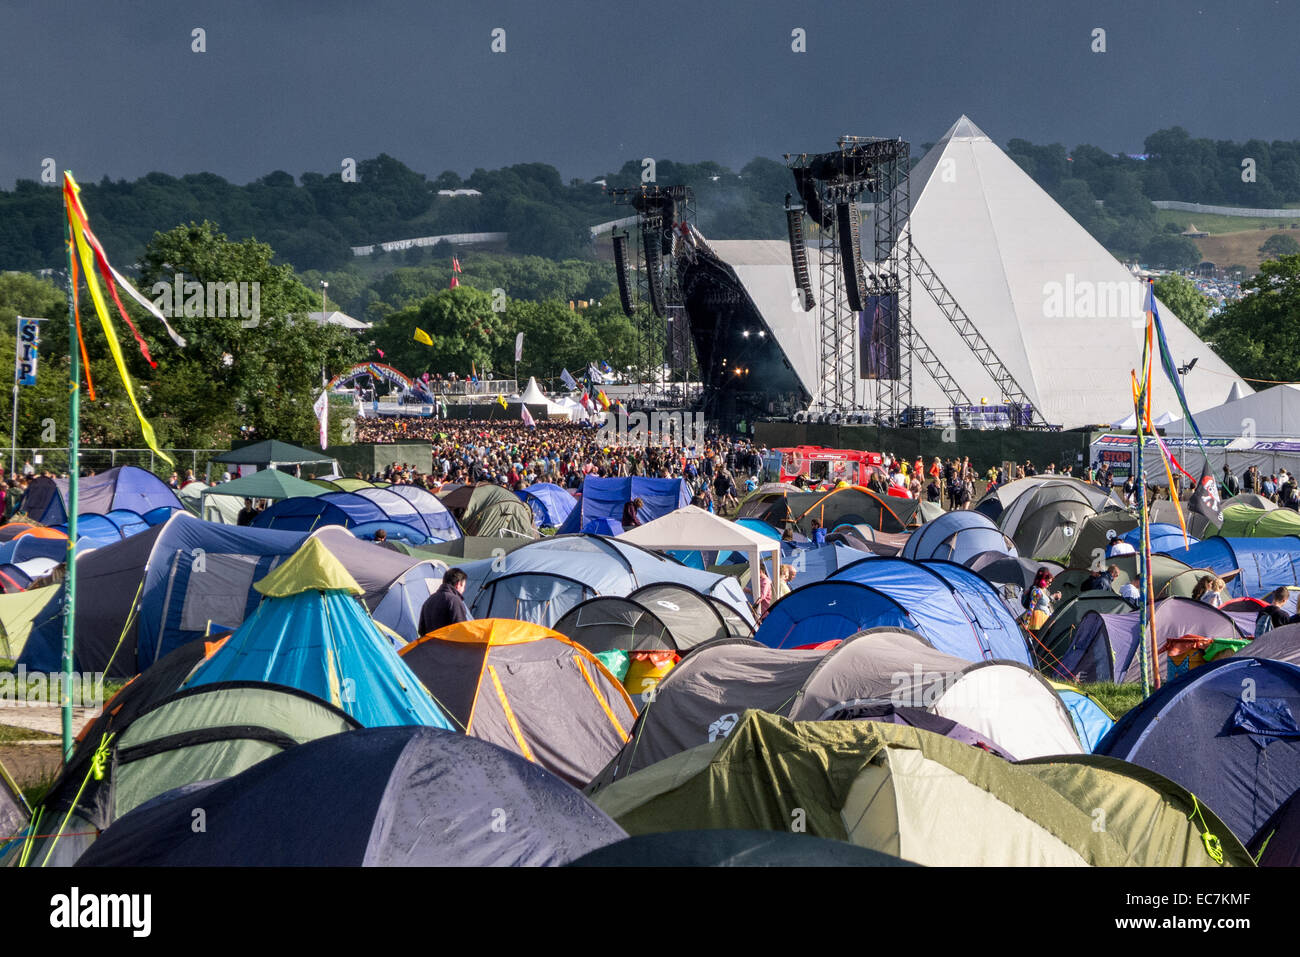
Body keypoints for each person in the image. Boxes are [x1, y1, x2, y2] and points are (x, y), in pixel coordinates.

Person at [418, 567, 472, 635]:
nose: (463, 590)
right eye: (463, 586)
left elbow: (421, 630)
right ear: (458, 584)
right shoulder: (454, 601)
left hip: (431, 644)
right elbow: (460, 630)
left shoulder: (429, 600)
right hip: (449, 644)